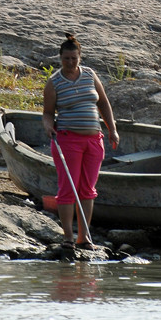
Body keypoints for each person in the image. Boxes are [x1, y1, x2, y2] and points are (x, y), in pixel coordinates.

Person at [42, 33, 119, 251]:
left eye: (74, 58)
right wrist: (48, 126)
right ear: (60, 58)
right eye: (66, 59)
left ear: (80, 57)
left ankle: (84, 238)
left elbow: (103, 104)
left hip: (94, 140)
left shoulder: (90, 75)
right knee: (68, 189)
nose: (70, 62)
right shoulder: (54, 82)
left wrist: (112, 130)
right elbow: (47, 113)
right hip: (68, 140)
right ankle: (68, 237)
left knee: (87, 189)